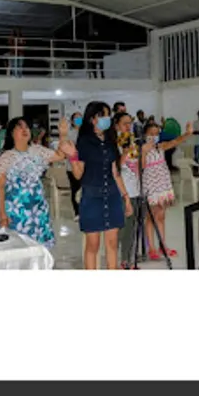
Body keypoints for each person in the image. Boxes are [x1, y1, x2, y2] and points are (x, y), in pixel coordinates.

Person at [66, 102, 133, 270]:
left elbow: (115, 172)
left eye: (108, 115)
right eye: (103, 115)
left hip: (112, 195)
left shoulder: (110, 141)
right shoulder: (84, 142)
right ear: (92, 119)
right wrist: (72, 157)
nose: (107, 119)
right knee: (93, 244)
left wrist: (126, 197)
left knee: (112, 242)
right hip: (92, 196)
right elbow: (78, 175)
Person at [0, 117, 74, 246]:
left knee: (40, 246)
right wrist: (2, 214)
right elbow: (0, 187)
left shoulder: (37, 150)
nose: (24, 130)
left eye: (26, 127)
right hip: (16, 211)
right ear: (11, 133)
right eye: (19, 127)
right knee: (20, 247)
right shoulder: (6, 157)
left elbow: (60, 155)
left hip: (38, 209)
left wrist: (63, 135)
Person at [142, 120, 193, 261]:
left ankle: (163, 245)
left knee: (161, 215)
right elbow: (141, 166)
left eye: (156, 134)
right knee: (151, 216)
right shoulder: (142, 150)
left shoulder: (161, 146)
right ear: (145, 135)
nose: (154, 137)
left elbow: (175, 141)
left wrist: (187, 133)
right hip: (151, 185)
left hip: (162, 184)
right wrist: (144, 152)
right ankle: (151, 248)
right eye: (151, 134)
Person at [115, 111, 141, 269]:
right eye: (124, 123)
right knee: (122, 228)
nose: (128, 126)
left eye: (129, 123)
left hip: (135, 189)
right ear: (117, 125)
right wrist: (123, 154)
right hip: (122, 191)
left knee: (132, 228)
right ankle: (118, 259)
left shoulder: (133, 143)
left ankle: (128, 259)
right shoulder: (114, 144)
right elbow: (115, 169)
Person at [66, 112, 83, 220]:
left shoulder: (86, 133)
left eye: (80, 118)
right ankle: (77, 212)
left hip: (85, 166)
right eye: (76, 118)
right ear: (72, 121)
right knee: (75, 190)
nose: (78, 120)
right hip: (71, 166)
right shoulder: (70, 134)